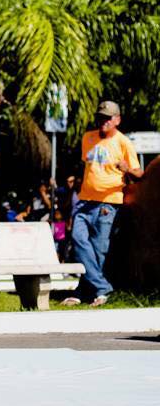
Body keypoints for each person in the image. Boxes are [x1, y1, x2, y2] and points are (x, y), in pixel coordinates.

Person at [63, 101, 142, 307]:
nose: (103, 122)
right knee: (78, 242)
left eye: (108, 118)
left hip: (108, 203)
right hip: (85, 201)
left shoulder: (123, 142)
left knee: (98, 250)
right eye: (100, 117)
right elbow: (85, 169)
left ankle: (83, 291)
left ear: (117, 120)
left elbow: (139, 173)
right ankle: (102, 287)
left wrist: (128, 169)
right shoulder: (87, 138)